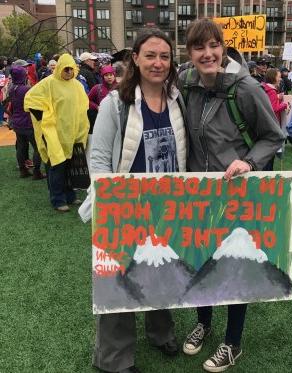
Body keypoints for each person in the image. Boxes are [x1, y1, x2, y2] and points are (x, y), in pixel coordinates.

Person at [179, 18, 285, 372]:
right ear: (190, 52)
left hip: (235, 193)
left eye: (214, 45)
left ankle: (232, 342)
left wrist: (249, 161)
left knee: (234, 263)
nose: (207, 54)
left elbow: (274, 137)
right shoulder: (186, 83)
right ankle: (204, 323)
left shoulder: (246, 88)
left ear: (223, 47)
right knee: (200, 259)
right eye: (199, 47)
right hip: (198, 192)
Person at [81, 29, 187, 373]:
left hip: (166, 206)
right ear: (136, 59)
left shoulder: (177, 99)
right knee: (118, 280)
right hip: (123, 207)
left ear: (171, 62)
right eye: (150, 55)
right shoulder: (115, 104)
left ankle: (161, 332)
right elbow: (97, 158)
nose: (158, 63)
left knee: (161, 271)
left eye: (165, 56)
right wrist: (109, 197)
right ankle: (112, 359)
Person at [24, 53, 89, 212]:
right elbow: (30, 99)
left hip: (72, 134)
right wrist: (44, 118)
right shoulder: (48, 83)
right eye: (65, 69)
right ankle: (58, 199)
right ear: (59, 68)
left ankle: (70, 196)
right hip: (53, 133)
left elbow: (83, 108)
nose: (68, 72)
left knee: (69, 166)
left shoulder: (78, 86)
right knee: (57, 166)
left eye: (70, 69)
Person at [8, 66, 45, 179]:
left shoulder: (12, 88)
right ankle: (37, 172)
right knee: (38, 147)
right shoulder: (26, 89)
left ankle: (23, 171)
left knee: (21, 146)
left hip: (17, 122)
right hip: (28, 123)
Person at [88, 65, 118, 133]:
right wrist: (96, 107)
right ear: (103, 77)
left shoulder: (121, 87)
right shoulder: (97, 88)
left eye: (111, 75)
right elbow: (87, 100)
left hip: (117, 120)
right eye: (106, 75)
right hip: (102, 120)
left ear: (114, 76)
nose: (109, 77)